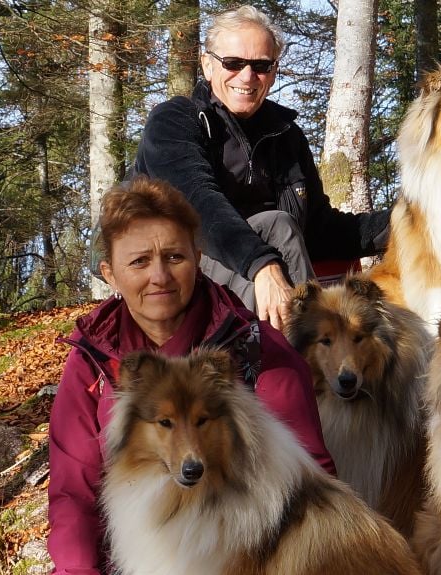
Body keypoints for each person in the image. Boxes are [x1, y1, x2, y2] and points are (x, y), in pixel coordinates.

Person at [48, 176, 335, 575]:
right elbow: (72, 493)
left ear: (198, 258)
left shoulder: (259, 351)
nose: (160, 277)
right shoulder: (91, 361)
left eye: (174, 257)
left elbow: (311, 484)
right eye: (138, 262)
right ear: (109, 273)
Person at [131, 4, 389, 331]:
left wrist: (406, 222)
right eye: (233, 63)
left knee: (279, 224)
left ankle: (302, 364)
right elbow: (197, 207)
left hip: (259, 266)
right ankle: (281, 364)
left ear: (274, 70)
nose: (247, 76)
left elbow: (321, 230)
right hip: (174, 268)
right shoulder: (175, 122)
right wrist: (261, 265)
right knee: (273, 232)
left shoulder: (286, 137)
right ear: (207, 65)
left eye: (261, 65)